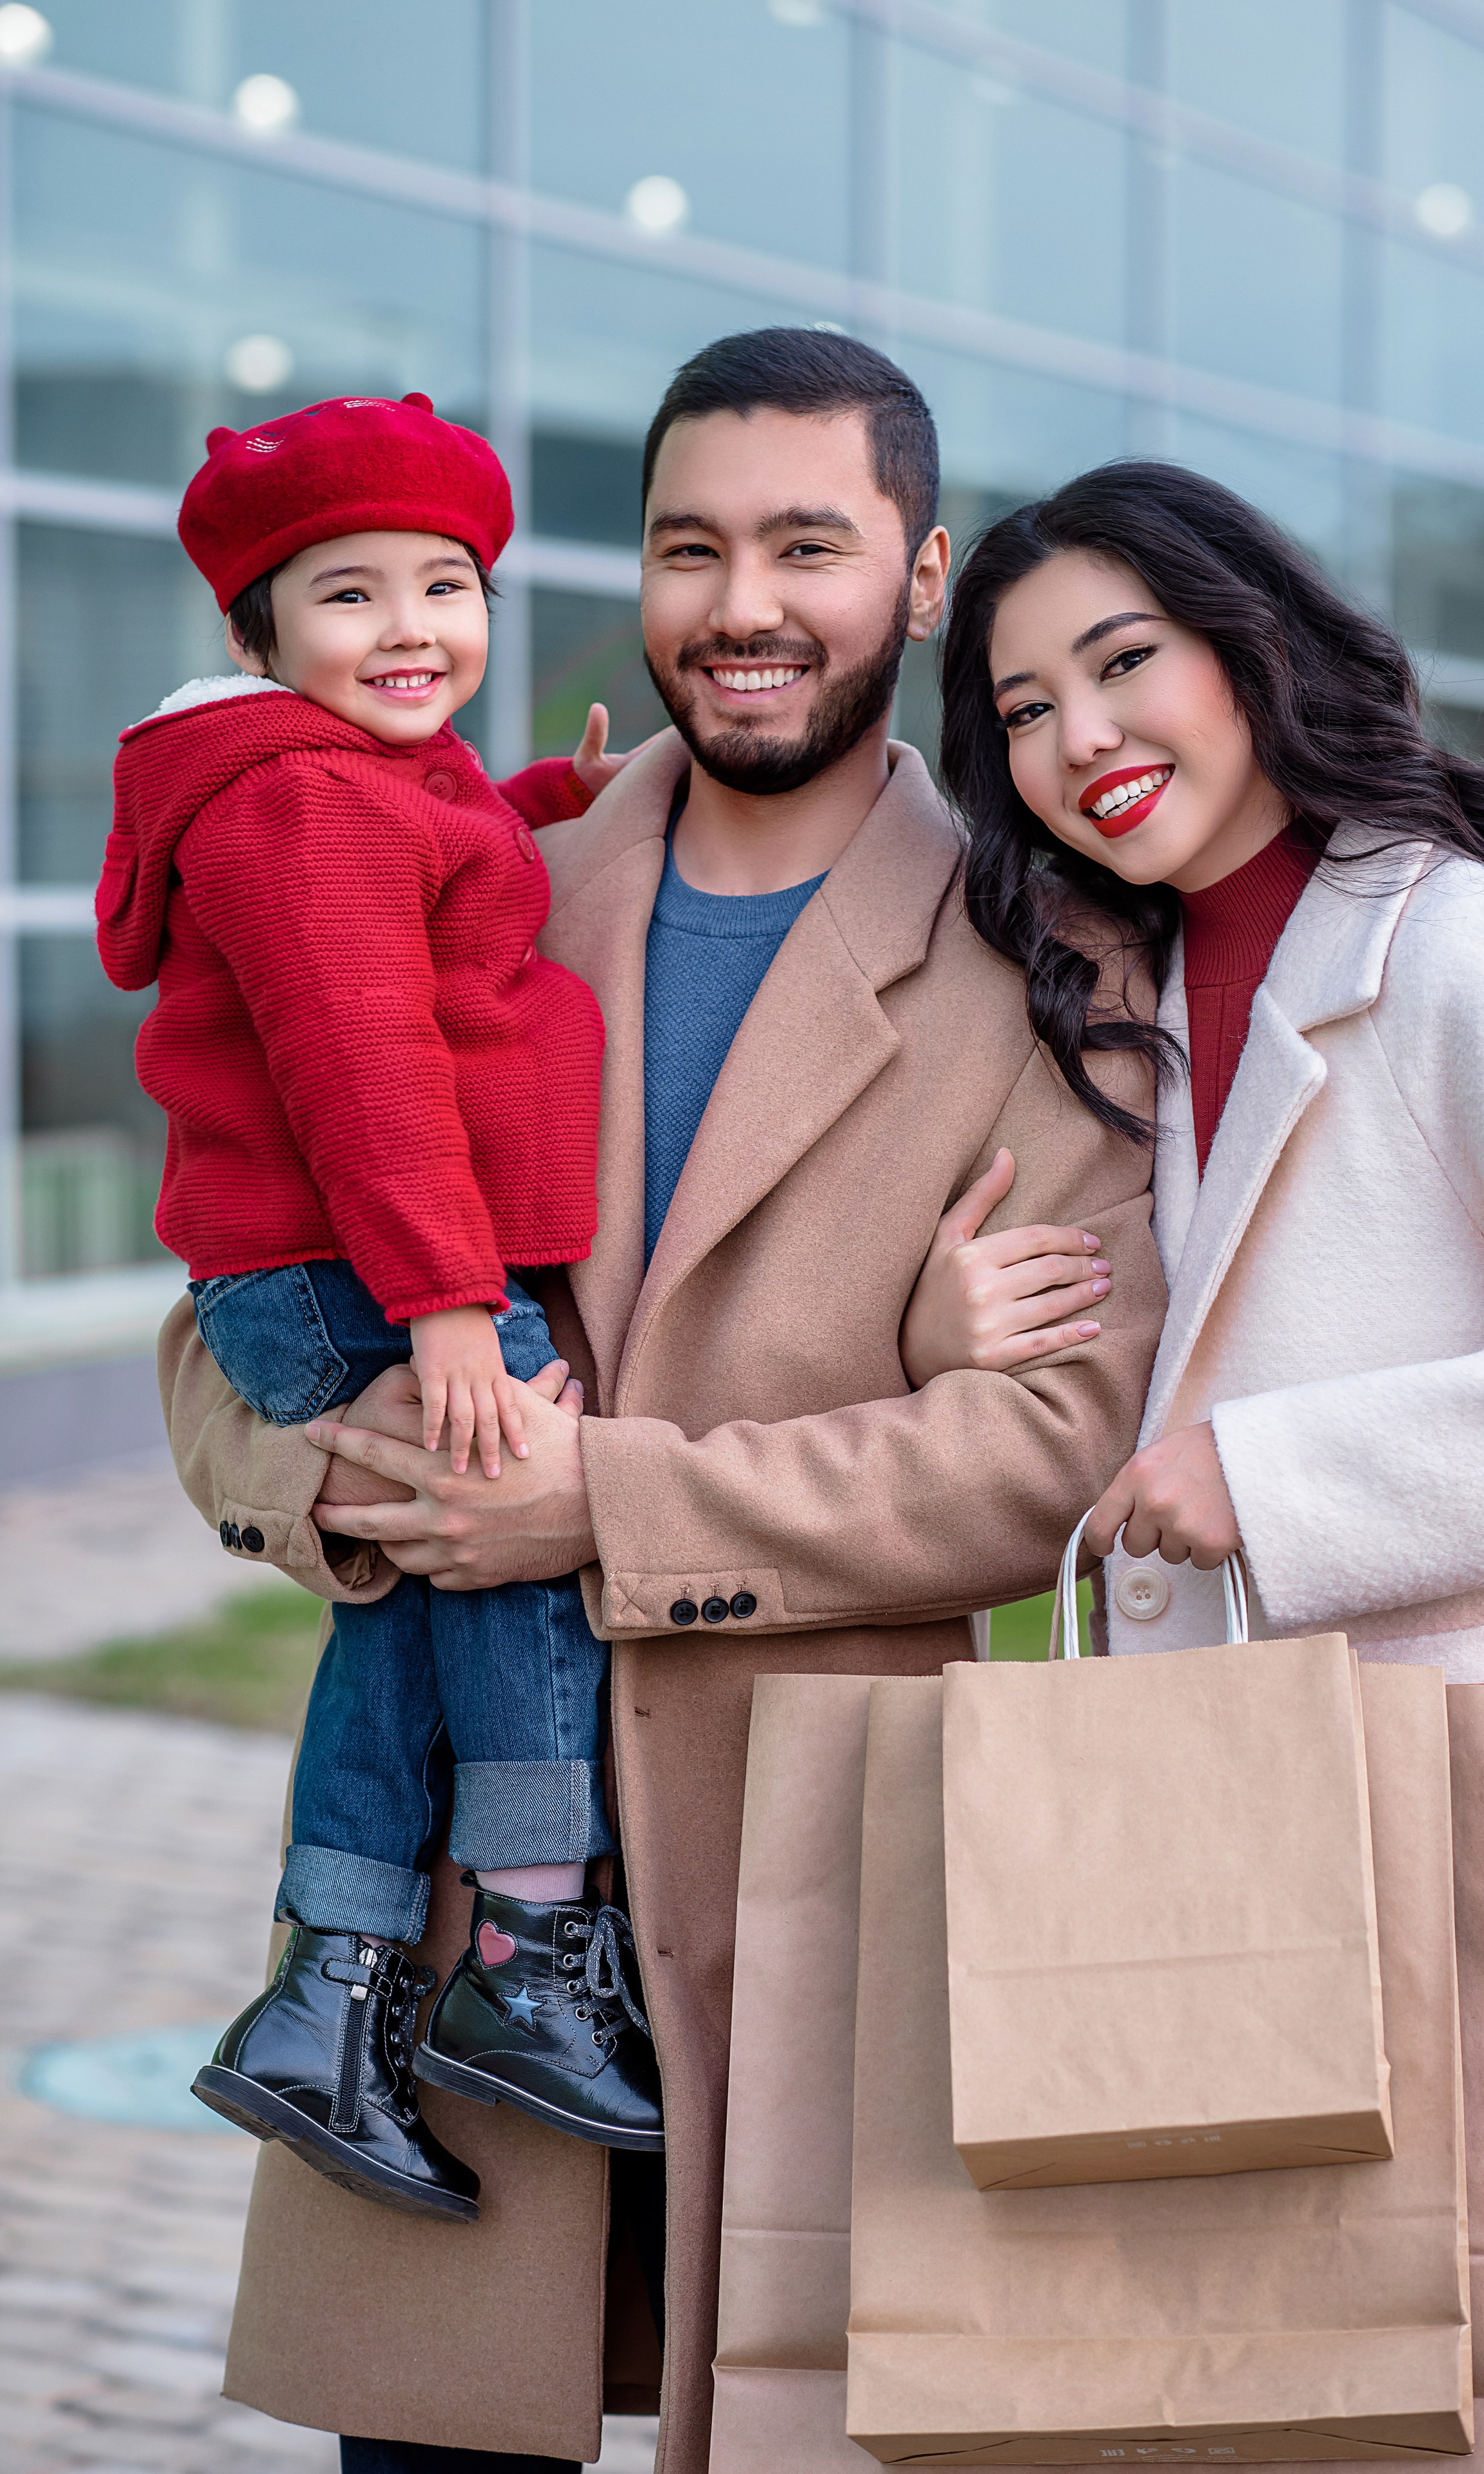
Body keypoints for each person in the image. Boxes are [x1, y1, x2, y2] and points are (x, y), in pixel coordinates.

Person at [157, 332, 1169, 2474]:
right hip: (454, 1942)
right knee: (431, 2453)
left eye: (811, 543)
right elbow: (218, 1329)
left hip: (819, 1886)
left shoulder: (1047, 946)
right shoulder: (469, 864)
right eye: (691, 545)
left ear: (921, 574)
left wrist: (594, 1507)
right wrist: (370, 1495)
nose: (744, 602)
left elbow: (1053, 1452)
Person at [903, 459, 1484, 2474]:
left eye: (1123, 661)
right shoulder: (1119, 998)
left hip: (1482, 1813)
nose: (1081, 739)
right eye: (1026, 710)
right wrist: (967, 1329)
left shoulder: (1467, 944)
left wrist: (1280, 1472)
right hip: (1236, 1839)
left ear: (1253, 642)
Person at [97, 392, 669, 2228]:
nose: (415, 626)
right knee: (510, 1541)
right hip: (367, 1263)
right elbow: (363, 1056)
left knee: (413, 1618)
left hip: (321, 1264)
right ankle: (528, 1944)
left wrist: (536, 808)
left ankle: (330, 1996)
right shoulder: (294, 804)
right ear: (253, 634)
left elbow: (404, 889)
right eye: (351, 594)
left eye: (449, 582)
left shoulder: (338, 789)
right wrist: (445, 1307)